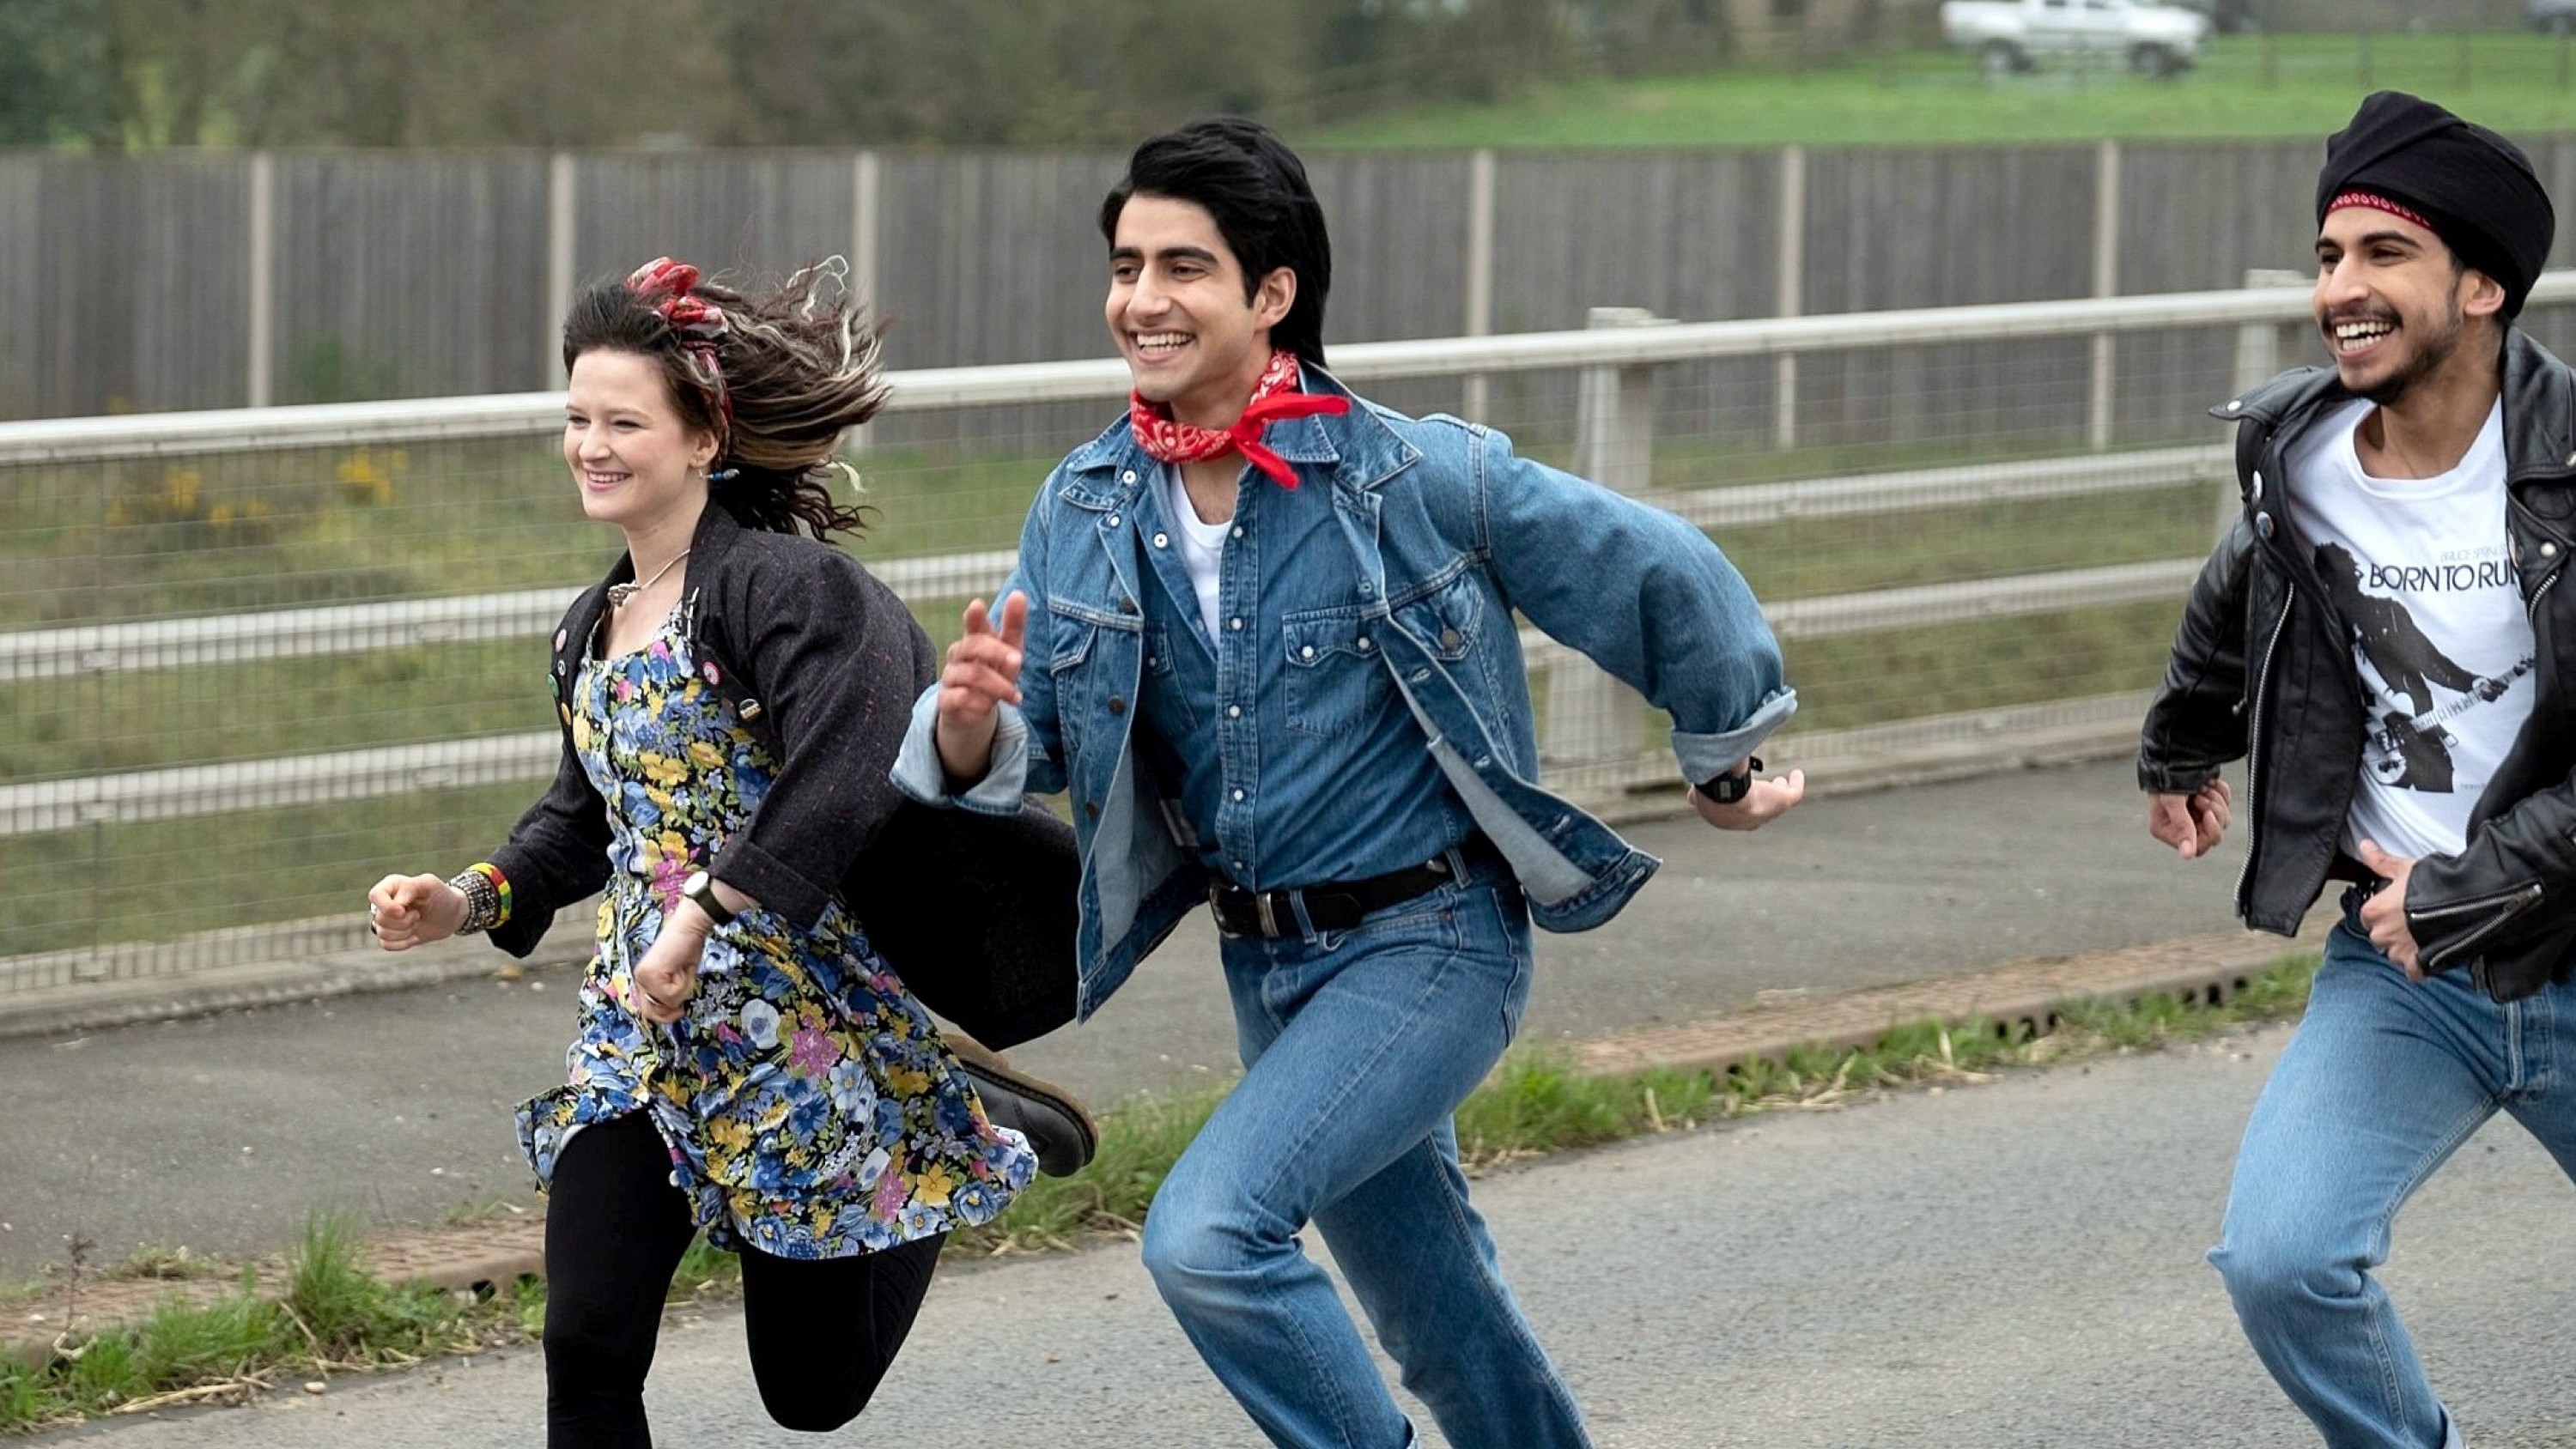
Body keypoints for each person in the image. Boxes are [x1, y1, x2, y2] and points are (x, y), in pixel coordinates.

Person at [893, 118, 1803, 1449]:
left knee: (1208, 1235)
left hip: (1433, 944)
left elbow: (1655, 567)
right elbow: (1034, 732)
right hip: (1271, 970)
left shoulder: (1407, 474)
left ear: (1272, 296)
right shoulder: (1084, 505)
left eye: (1184, 268)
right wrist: (968, 729)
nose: (1142, 299)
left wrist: (1724, 760)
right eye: (1127, 263)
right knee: (1440, 1316)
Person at [365, 257, 1093, 1448]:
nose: (590, 446)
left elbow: (849, 767)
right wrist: (465, 896)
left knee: (812, 1394)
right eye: (575, 418)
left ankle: (935, 1123)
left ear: (706, 435)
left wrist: (707, 910)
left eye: (622, 422)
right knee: (587, 1351)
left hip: (799, 1034)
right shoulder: (588, 627)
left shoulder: (795, 592)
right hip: (639, 1038)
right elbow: (585, 816)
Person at [2138, 91, 2575, 1449]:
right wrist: (2183, 737)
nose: (2342, 289)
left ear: (2483, 283)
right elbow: (2238, 584)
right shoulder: (2299, 457)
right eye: (2329, 258)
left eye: (2384, 255)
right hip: (2406, 975)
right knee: (2281, 1261)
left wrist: (2470, 885)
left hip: (2542, 932)